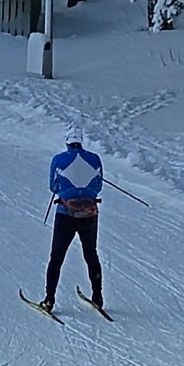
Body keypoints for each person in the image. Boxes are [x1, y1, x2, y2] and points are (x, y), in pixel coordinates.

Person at [38, 135, 107, 316]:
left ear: (67, 142)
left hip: (65, 215)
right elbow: (98, 186)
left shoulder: (59, 159)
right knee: (91, 254)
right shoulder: (94, 159)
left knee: (57, 257)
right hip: (90, 214)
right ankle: (98, 296)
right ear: (81, 141)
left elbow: (53, 186)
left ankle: (49, 299)